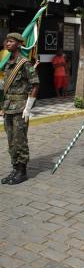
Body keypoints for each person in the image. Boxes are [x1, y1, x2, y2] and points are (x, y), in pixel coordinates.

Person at [1, 33, 39, 185]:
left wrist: (28, 107)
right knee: (11, 140)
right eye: (7, 41)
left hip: (20, 108)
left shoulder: (24, 63)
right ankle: (15, 168)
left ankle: (22, 171)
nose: (7, 43)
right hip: (8, 108)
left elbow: (35, 84)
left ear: (18, 44)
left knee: (20, 140)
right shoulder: (8, 63)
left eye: (11, 41)